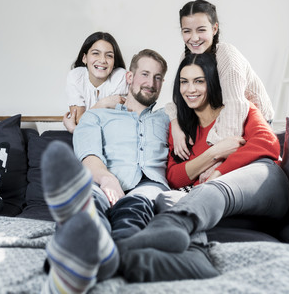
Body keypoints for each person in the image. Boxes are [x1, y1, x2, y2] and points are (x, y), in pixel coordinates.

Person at [40, 49, 218, 294]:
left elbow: (206, 113)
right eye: (145, 74)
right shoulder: (97, 116)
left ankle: (117, 254)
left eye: (157, 77)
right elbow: (88, 155)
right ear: (130, 77)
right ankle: (79, 253)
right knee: (86, 204)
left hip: (149, 186)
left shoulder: (168, 118)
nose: (151, 82)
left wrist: (176, 120)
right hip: (101, 179)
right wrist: (106, 178)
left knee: (136, 207)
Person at [116, 52, 289, 258]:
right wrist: (214, 152)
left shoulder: (239, 110)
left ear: (212, 83)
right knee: (167, 198)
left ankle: (166, 227)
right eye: (184, 82)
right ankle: (194, 259)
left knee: (237, 178)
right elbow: (173, 175)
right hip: (221, 210)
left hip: (263, 192)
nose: (190, 89)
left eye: (199, 81)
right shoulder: (181, 128)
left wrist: (218, 173)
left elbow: (267, 144)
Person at [166, 0, 275, 161]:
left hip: (251, 119)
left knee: (221, 169)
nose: (194, 38)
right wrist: (175, 125)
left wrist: (214, 159)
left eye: (201, 30)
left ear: (214, 28)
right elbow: (179, 96)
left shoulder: (228, 58)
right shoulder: (188, 56)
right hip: (219, 113)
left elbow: (234, 108)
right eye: (187, 31)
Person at [63, 32, 128, 133]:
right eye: (95, 53)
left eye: (109, 55)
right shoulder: (76, 76)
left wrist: (74, 128)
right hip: (84, 137)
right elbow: (78, 121)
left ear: (114, 61)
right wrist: (103, 104)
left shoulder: (120, 77)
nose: (102, 60)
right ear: (84, 58)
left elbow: (111, 125)